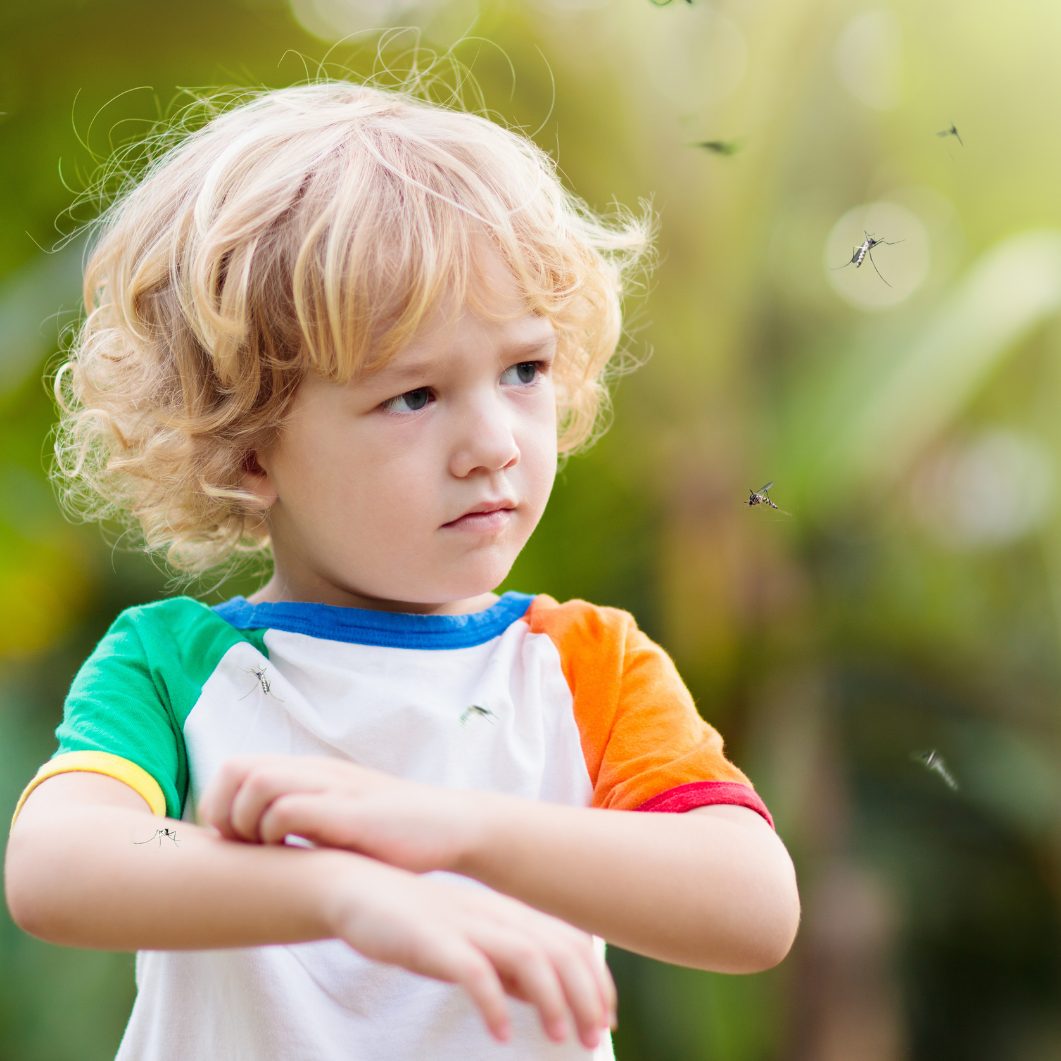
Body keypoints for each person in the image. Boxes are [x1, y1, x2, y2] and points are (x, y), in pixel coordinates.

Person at [4, 77, 799, 1060]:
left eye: (523, 369)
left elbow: (751, 902)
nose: (493, 443)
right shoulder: (173, 666)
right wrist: (342, 890)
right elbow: (55, 867)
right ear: (247, 448)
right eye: (415, 394)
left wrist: (450, 828)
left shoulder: (587, 665)